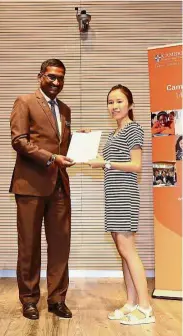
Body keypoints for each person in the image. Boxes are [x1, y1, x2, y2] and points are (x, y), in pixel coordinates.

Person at [10, 59, 75, 320]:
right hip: (30, 185)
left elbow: (61, 145)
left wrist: (77, 141)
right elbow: (19, 141)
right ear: (40, 76)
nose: (56, 83)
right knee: (29, 246)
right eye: (51, 77)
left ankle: (57, 299)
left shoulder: (65, 109)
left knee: (60, 246)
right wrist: (51, 158)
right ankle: (29, 300)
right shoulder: (24, 102)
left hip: (59, 185)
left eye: (60, 78)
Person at [88, 84, 155, 325]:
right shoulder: (114, 133)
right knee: (123, 253)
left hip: (125, 195)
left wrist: (106, 163)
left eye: (119, 101)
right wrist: (86, 141)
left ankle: (145, 308)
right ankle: (131, 303)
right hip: (113, 196)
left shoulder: (133, 128)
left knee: (129, 251)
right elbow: (107, 158)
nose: (114, 106)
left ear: (130, 105)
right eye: (110, 102)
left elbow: (135, 165)